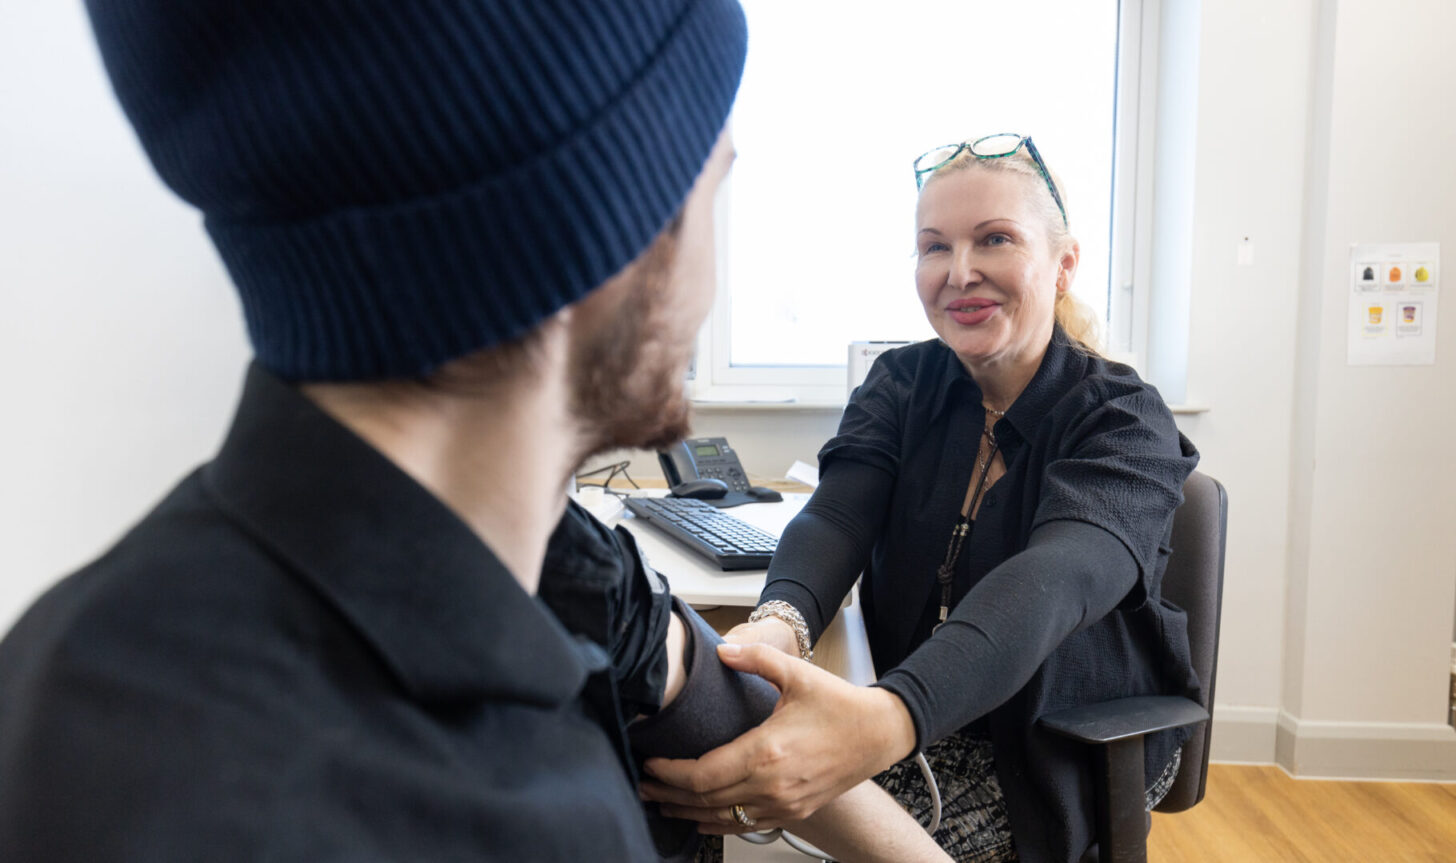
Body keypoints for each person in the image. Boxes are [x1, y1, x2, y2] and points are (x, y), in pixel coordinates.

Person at [0, 2, 951, 861]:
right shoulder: (379, 814)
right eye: (713, 187)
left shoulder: (541, 560)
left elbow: (712, 694)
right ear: (613, 230)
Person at [641, 134, 1202, 863]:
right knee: (684, 779)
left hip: (1057, 739)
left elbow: (1050, 583)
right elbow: (840, 514)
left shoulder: (1124, 421)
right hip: (915, 717)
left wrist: (887, 716)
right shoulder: (901, 384)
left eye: (994, 239)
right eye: (934, 247)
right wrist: (774, 631)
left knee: (741, 805)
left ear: (1064, 265)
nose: (960, 272)